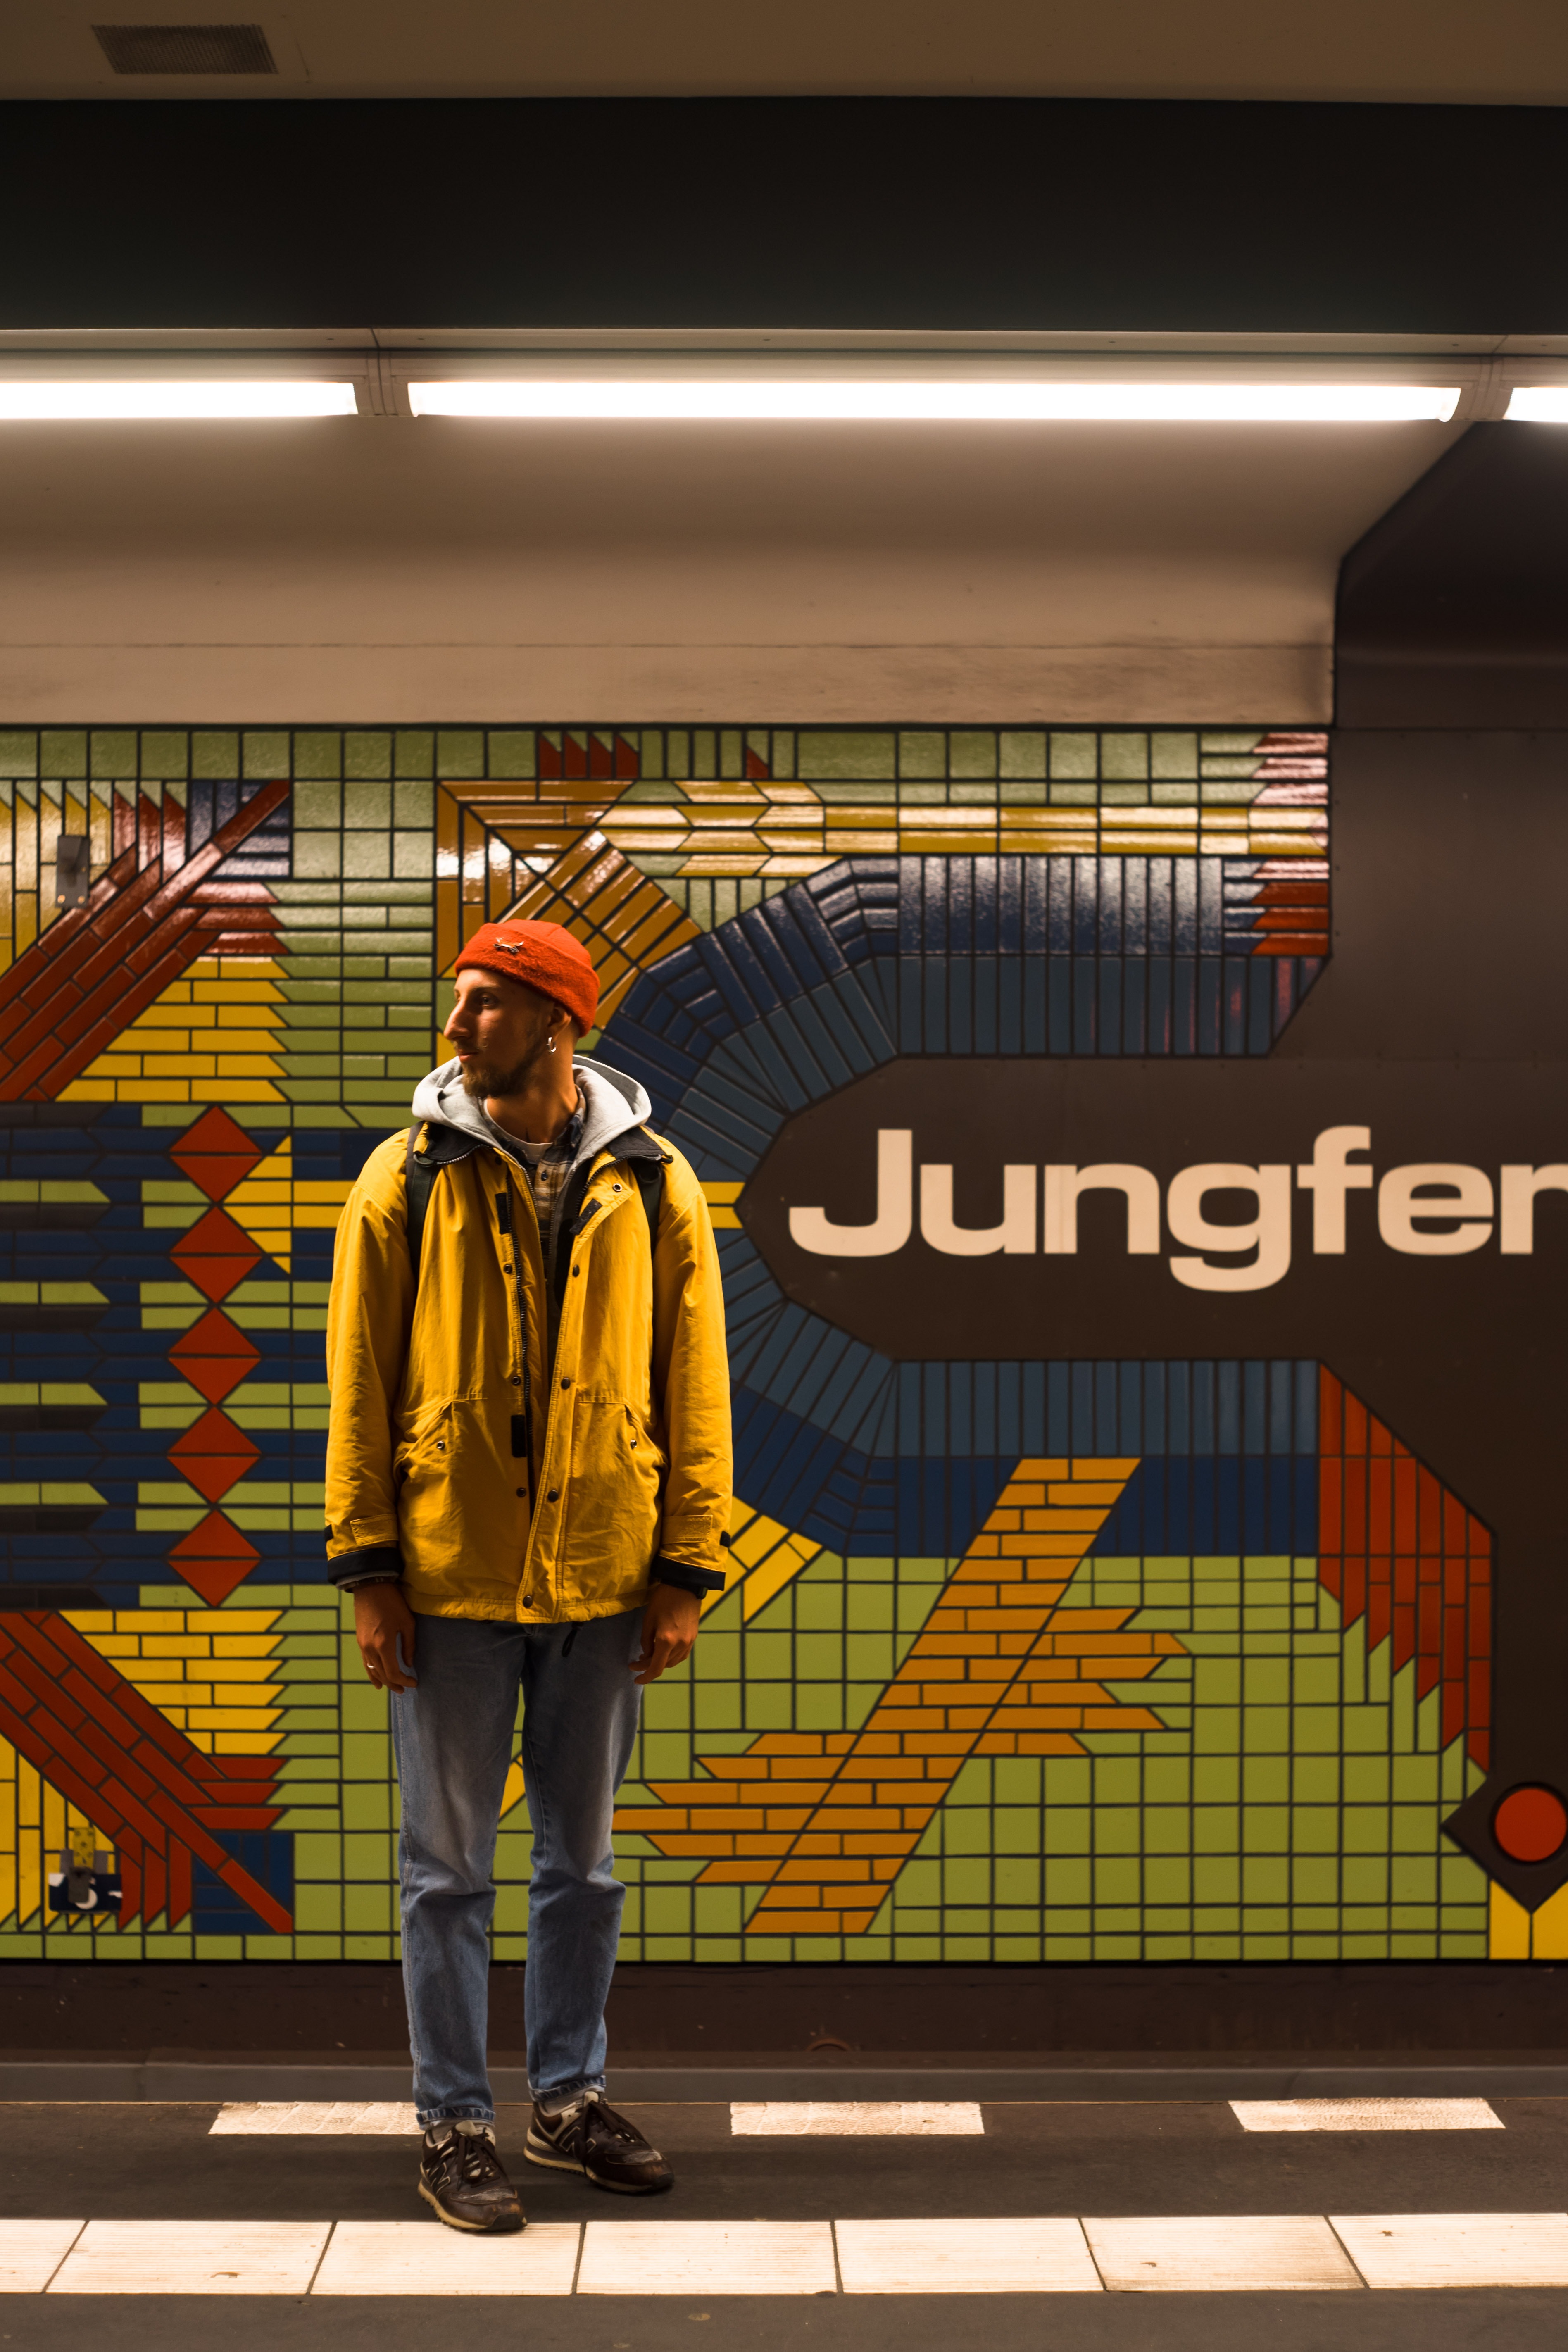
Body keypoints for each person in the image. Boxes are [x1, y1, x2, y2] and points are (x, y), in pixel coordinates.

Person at [325, 918, 732, 2233]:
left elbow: (694, 1382)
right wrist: (368, 1566)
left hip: (602, 1571)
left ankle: (567, 2098)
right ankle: (453, 2120)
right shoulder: (407, 1175)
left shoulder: (654, 1182)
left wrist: (685, 1565)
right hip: (449, 1575)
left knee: (584, 1867)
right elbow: (359, 1382)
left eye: (486, 1003)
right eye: (462, 1001)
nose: (456, 1026)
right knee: (445, 1868)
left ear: (559, 1022)